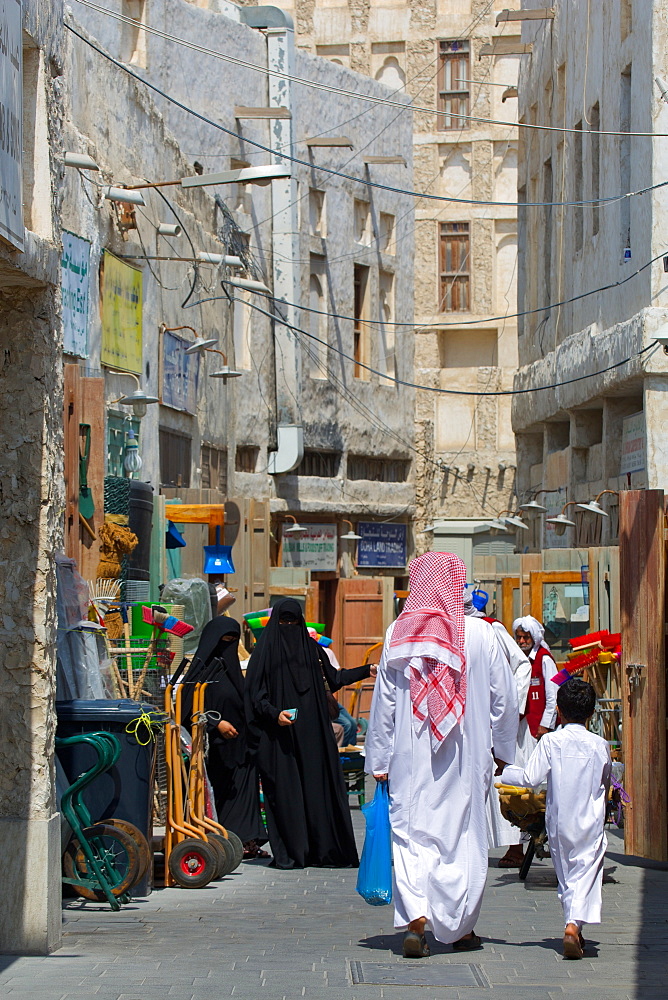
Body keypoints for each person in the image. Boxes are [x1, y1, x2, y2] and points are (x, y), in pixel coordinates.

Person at [365, 553, 518, 958]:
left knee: (411, 836)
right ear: (456, 583)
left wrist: (378, 759)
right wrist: (504, 751)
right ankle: (460, 929)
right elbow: (504, 700)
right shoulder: (483, 635)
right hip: (466, 756)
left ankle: (416, 919)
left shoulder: (399, 633)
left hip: (409, 757)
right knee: (462, 837)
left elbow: (384, 705)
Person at [245, 598, 374, 869]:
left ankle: (322, 850)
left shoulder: (312, 649)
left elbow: (335, 679)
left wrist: (367, 670)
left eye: (294, 621)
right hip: (281, 738)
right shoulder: (264, 653)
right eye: (284, 621)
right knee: (287, 793)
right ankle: (294, 852)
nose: (289, 626)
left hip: (314, 735)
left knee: (318, 791)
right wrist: (274, 713)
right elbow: (255, 695)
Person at [501, 678, 611, 959]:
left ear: (559, 711)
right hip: (589, 821)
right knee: (585, 873)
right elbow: (606, 779)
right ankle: (574, 925)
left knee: (566, 877)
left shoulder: (551, 741)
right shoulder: (599, 744)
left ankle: (572, 925)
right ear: (591, 713)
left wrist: (504, 770)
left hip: (560, 821)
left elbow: (530, 778)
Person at [180, 616, 268, 858]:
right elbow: (187, 711)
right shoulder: (201, 673)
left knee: (244, 793)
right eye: (224, 640)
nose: (228, 645)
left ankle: (246, 841)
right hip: (213, 750)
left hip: (241, 748)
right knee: (219, 794)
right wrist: (216, 723)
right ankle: (222, 840)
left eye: (233, 640)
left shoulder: (234, 673)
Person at [463, 591, 533, 869]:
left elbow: (521, 665)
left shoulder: (491, 628)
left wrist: (510, 710)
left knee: (503, 784)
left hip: (495, 721)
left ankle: (516, 847)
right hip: (473, 722)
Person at [513, 615, 559, 739]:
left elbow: (553, 696)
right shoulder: (516, 659)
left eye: (526, 637)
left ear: (534, 638)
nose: (521, 641)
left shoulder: (544, 659)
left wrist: (546, 724)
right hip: (521, 724)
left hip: (540, 726)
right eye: (519, 637)